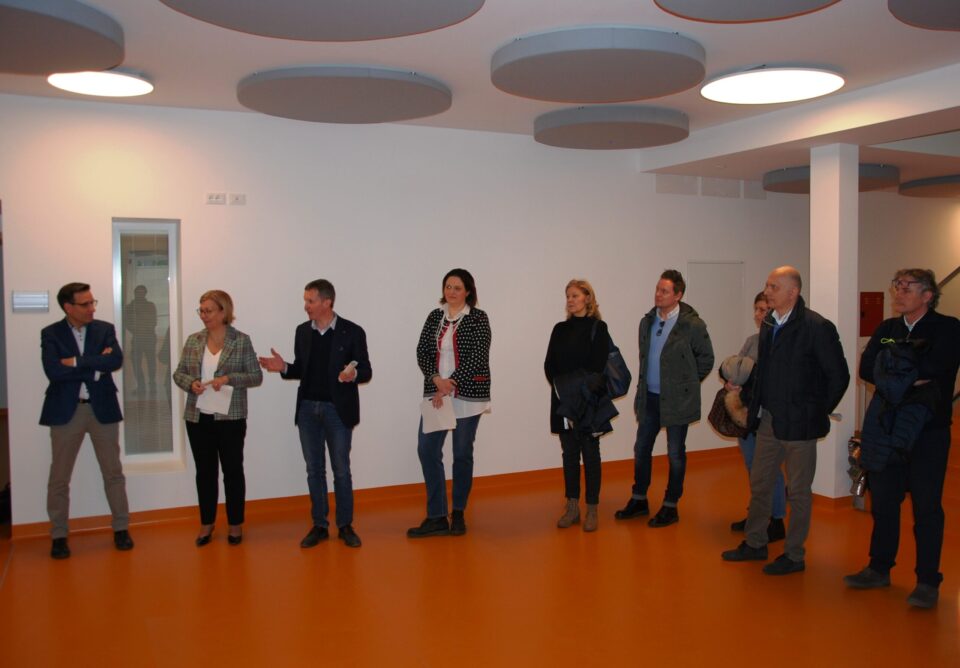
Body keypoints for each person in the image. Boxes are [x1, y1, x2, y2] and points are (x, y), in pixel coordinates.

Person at [844, 269, 960, 608]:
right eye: (897, 285)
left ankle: (927, 581)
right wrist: (906, 372)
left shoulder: (948, 328)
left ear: (928, 295)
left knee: (927, 507)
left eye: (908, 287)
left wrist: (893, 369)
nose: (899, 292)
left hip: (928, 432)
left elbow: (937, 368)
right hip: (887, 428)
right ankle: (879, 568)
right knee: (883, 501)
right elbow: (867, 368)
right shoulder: (887, 329)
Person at [722, 266, 849, 575]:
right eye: (767, 285)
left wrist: (816, 410)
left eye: (774, 287)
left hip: (801, 425)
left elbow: (839, 376)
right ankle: (755, 543)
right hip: (769, 420)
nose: (767, 291)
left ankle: (794, 555)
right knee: (760, 481)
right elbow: (765, 372)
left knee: (799, 492)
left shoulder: (817, 327)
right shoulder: (769, 324)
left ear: (793, 292)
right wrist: (748, 398)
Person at [259, 279, 371, 549]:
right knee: (314, 470)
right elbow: (301, 369)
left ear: (326, 302)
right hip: (308, 409)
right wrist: (284, 367)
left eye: (310, 301)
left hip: (337, 411)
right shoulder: (302, 332)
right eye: (306, 301)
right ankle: (319, 525)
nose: (306, 306)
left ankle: (345, 525)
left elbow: (366, 370)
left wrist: (353, 374)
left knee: (341, 470)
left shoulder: (352, 331)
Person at [40, 282, 133, 559]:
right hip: (66, 411)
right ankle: (58, 535)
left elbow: (114, 361)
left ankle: (121, 528)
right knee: (59, 476)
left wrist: (76, 362)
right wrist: (93, 367)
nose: (92, 308)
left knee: (113, 472)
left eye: (93, 302)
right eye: (85, 304)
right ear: (68, 307)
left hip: (102, 408)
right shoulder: (51, 333)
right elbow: (53, 371)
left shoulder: (104, 329)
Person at [615, 269, 714, 527]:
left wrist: (685, 385)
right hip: (649, 397)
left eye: (664, 291)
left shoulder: (692, 325)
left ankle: (671, 505)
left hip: (677, 401)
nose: (658, 294)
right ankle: (639, 499)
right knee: (641, 449)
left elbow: (706, 359)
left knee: (675, 453)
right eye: (657, 289)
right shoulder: (647, 322)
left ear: (678, 295)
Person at [173, 290, 262, 546]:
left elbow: (255, 376)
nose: (204, 315)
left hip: (231, 419)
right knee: (205, 473)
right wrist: (192, 383)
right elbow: (179, 374)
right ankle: (207, 523)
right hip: (198, 417)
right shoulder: (194, 340)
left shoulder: (241, 340)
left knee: (232, 471)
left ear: (224, 311)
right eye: (201, 310)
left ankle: (235, 524)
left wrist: (228, 378)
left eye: (209, 310)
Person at [407, 269, 492, 538]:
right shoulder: (435, 316)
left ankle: (458, 513)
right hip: (436, 393)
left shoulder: (478, 318)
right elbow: (422, 351)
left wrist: (450, 383)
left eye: (457, 287)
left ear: (468, 291)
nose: (451, 292)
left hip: (467, 395)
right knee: (427, 450)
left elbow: (478, 355)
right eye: (448, 286)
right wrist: (436, 380)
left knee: (462, 453)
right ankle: (437, 516)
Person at [544, 279, 616, 532]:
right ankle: (572, 507)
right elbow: (549, 365)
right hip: (563, 401)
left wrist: (575, 391)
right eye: (568, 296)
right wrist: (563, 391)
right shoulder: (559, 329)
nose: (570, 300)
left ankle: (592, 508)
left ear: (588, 298)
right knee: (569, 454)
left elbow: (597, 366)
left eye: (575, 295)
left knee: (591, 453)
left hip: (588, 401)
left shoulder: (599, 327)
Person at [725, 292, 786, 542]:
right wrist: (732, 383)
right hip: (747, 415)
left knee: (770, 470)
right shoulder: (751, 341)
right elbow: (737, 369)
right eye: (757, 310)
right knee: (753, 467)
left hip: (768, 417)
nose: (759, 315)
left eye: (764, 310)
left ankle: (777, 519)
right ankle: (757, 515)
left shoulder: (782, 342)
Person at [124, 285, 158, 395]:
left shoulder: (150, 306)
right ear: (135, 293)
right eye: (138, 292)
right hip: (137, 337)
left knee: (151, 362)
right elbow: (126, 322)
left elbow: (153, 321)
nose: (140, 294)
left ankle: (152, 383)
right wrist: (136, 330)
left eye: (142, 292)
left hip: (149, 337)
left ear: (145, 293)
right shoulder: (130, 307)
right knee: (136, 362)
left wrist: (145, 328)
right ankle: (141, 386)